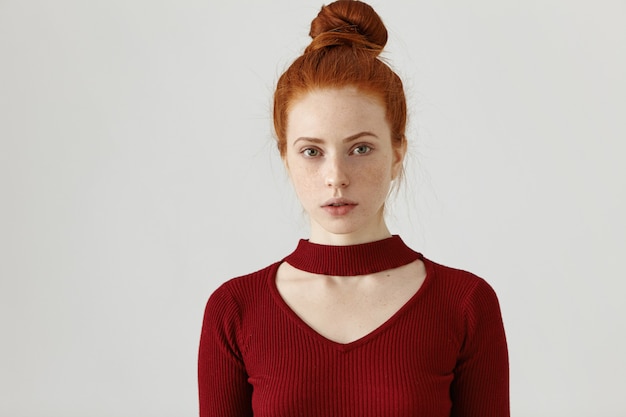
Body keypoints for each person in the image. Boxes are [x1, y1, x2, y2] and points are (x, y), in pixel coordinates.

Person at [198, 1, 509, 416]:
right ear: (285, 158)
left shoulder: (464, 304)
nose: (336, 176)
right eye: (312, 151)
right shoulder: (235, 309)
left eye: (360, 148)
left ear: (398, 152)